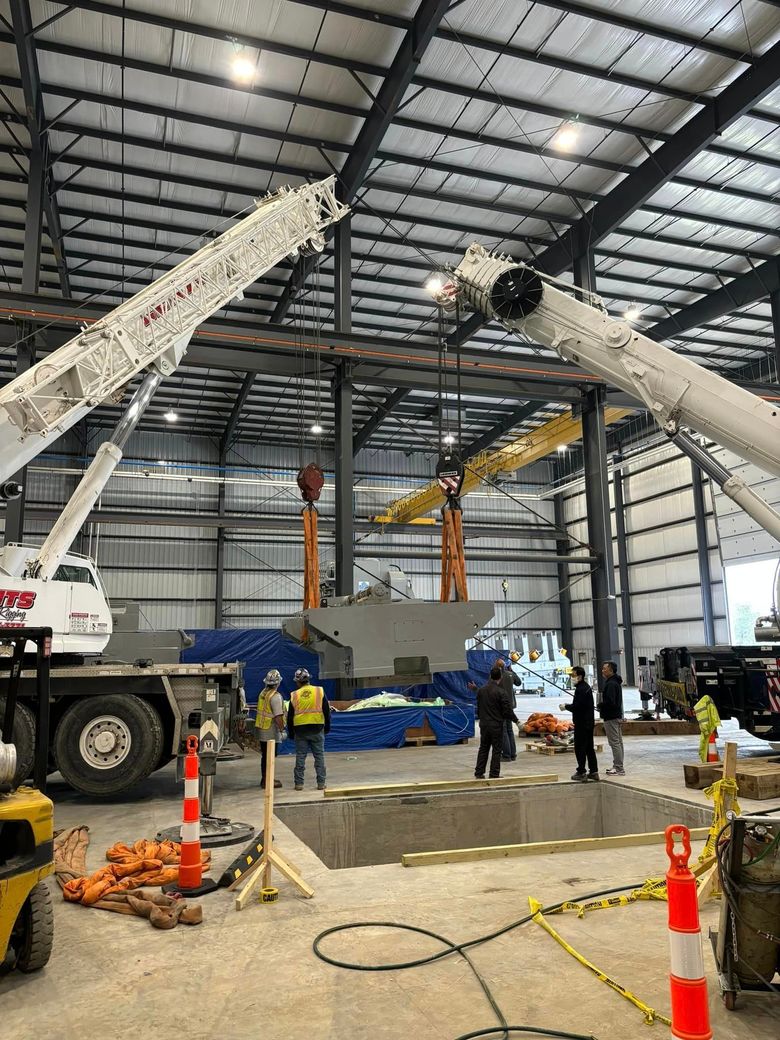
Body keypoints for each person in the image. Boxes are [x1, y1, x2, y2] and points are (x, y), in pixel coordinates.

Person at [287, 667, 331, 791]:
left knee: (300, 756)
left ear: (298, 681)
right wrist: (327, 727)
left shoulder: (294, 695)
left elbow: (290, 716)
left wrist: (291, 733)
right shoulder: (319, 691)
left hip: (300, 731)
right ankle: (321, 783)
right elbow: (327, 711)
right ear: (308, 679)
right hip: (317, 728)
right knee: (319, 757)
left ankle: (299, 784)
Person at [473, 664, 516, 779]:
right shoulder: (501, 692)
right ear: (500, 677)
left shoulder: (481, 691)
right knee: (496, 750)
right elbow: (507, 711)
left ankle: (479, 772)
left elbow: (479, 707)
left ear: (490, 676)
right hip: (496, 725)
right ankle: (494, 773)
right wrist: (516, 721)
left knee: (483, 748)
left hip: (484, 725)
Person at [561, 666, 598, 782]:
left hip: (582, 723)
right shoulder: (585, 687)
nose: (571, 678)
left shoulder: (581, 689)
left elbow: (578, 707)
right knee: (589, 748)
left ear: (580, 676)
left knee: (580, 748)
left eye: (573, 675)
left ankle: (581, 772)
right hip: (588, 722)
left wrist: (566, 707)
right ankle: (594, 771)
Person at [255, 668, 286, 788]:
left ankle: (265, 779)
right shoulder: (275, 697)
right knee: (271, 756)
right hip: (271, 731)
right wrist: (282, 730)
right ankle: (268, 781)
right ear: (278, 683)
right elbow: (278, 716)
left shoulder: (263, 693)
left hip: (262, 729)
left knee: (265, 756)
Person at [599, 661, 625, 776]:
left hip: (611, 717)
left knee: (614, 743)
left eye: (605, 669)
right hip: (615, 716)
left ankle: (619, 768)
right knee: (618, 742)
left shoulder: (610, 684)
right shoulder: (615, 682)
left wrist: (600, 705)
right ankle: (618, 766)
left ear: (611, 670)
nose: (602, 671)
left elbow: (610, 702)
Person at [497, 658, 523, 760]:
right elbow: (519, 683)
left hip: (501, 706)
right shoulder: (510, 674)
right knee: (509, 730)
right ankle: (513, 754)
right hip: (511, 705)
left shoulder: (496, 676)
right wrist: (512, 671)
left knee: (503, 731)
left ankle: (506, 755)